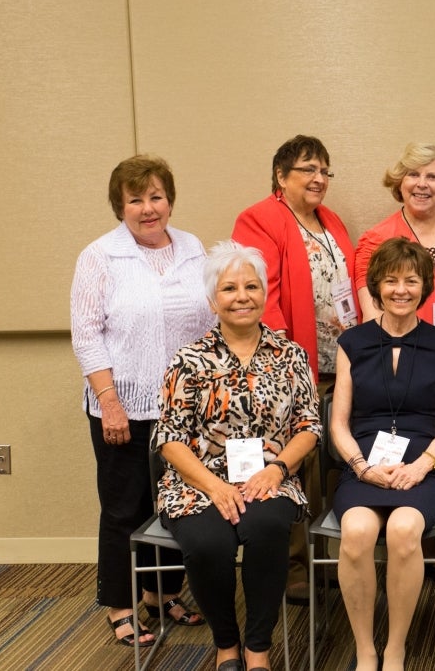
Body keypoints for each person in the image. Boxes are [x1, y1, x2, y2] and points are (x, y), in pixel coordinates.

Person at [155, 241, 320, 671]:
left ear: (265, 294)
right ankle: (226, 645)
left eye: (251, 286)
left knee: (267, 531)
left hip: (269, 478)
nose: (241, 296)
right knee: (209, 543)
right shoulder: (189, 360)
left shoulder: (290, 355)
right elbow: (169, 437)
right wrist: (215, 487)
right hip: (199, 483)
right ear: (213, 300)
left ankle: (258, 649)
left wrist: (279, 469)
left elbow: (308, 427)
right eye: (229, 288)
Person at [70, 154, 213, 648]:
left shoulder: (194, 248)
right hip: (123, 409)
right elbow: (87, 335)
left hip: (184, 409)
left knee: (177, 504)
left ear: (169, 200)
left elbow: (210, 324)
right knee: (124, 509)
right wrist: (109, 402)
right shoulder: (99, 256)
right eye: (136, 200)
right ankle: (121, 605)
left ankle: (163, 595)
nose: (148, 208)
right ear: (120, 207)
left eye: (156, 197)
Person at [232, 134, 357, 603]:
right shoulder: (260, 219)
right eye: (308, 169)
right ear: (281, 177)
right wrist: (290, 366)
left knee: (328, 461)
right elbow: (263, 296)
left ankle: (326, 558)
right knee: (288, 462)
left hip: (336, 362)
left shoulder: (330, 221)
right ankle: (290, 566)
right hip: (290, 365)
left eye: (325, 170)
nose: (319, 178)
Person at [331, 238, 435, 671]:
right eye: (391, 280)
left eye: (411, 280)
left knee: (405, 530)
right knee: (356, 532)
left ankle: (395, 648)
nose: (401, 289)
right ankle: (366, 648)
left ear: (424, 286)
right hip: (364, 467)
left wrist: (424, 464)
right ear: (376, 286)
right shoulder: (352, 342)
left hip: (426, 469)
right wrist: (362, 468)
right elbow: (339, 423)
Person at [354, 143, 435, 494]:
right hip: (411, 353)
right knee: (425, 433)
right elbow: (370, 312)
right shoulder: (377, 239)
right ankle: (423, 513)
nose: (422, 184)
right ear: (400, 181)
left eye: (432, 176)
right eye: (413, 174)